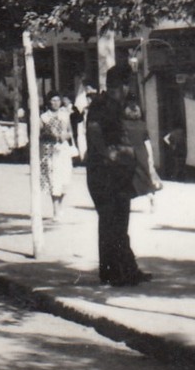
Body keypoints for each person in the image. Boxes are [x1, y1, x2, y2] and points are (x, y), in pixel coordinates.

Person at [86, 65, 150, 287]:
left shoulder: (122, 105)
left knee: (120, 223)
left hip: (121, 173)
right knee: (110, 222)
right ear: (119, 85)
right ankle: (110, 273)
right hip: (102, 172)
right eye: (125, 83)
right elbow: (94, 132)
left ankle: (128, 270)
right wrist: (108, 153)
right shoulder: (100, 105)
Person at [40, 94, 76, 220]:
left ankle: (60, 205)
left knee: (65, 177)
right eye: (52, 100)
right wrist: (51, 136)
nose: (55, 103)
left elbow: (71, 132)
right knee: (53, 178)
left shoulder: (65, 115)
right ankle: (55, 209)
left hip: (63, 150)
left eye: (57, 100)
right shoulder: (44, 117)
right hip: (50, 150)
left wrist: (64, 136)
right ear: (48, 102)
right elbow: (39, 134)